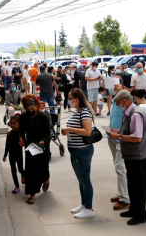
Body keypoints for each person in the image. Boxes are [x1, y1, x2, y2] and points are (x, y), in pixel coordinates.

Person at [107, 89, 146, 226]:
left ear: (125, 101)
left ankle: (141, 214)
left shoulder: (136, 114)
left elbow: (137, 137)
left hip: (137, 155)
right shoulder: (130, 112)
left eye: (118, 103)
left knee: (138, 186)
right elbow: (130, 131)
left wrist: (118, 136)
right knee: (132, 184)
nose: (118, 105)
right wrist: (117, 131)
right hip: (132, 154)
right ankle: (133, 209)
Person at [61, 88, 95, 219]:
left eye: (70, 98)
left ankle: (89, 208)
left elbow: (87, 132)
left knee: (85, 180)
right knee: (81, 179)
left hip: (82, 150)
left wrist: (69, 129)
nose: (69, 100)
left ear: (77, 99)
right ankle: (84, 204)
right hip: (75, 150)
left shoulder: (85, 113)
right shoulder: (78, 112)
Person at [18, 95, 51, 204]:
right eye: (28, 109)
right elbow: (21, 131)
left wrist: (43, 141)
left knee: (43, 168)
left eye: (33, 109)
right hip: (30, 145)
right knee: (31, 170)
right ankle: (32, 193)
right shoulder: (23, 117)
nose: (31, 111)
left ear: (36, 106)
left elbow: (48, 132)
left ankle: (46, 180)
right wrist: (21, 138)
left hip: (42, 145)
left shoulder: (43, 116)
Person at [106, 84, 130, 211]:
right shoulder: (116, 102)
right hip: (112, 138)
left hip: (120, 139)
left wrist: (117, 133)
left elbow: (129, 129)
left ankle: (125, 199)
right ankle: (121, 194)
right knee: (118, 168)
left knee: (120, 168)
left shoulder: (129, 108)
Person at [3, 115, 25, 194]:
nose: (12, 125)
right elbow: (7, 145)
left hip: (19, 155)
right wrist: (5, 155)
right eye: (11, 123)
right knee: (13, 171)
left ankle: (24, 175)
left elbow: (25, 143)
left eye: (14, 123)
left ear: (19, 124)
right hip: (11, 156)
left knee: (20, 169)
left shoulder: (21, 134)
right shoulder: (9, 134)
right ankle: (17, 186)